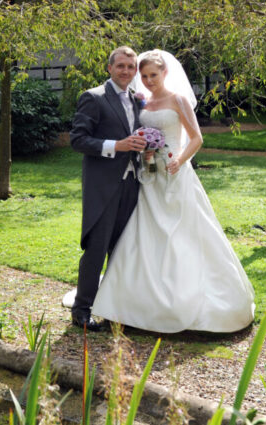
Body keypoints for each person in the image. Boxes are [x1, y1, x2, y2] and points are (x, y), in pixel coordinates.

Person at [91, 49, 255, 333]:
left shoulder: (178, 100)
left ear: (165, 73)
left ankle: (188, 299)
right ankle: (135, 302)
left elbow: (196, 138)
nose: (149, 80)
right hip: (150, 176)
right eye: (144, 76)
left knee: (184, 233)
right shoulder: (141, 102)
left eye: (153, 74)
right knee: (145, 233)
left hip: (175, 174)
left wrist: (179, 160)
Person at [68, 46, 148, 331]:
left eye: (131, 66)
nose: (126, 71)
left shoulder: (138, 100)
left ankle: (115, 308)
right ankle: (82, 310)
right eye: (121, 66)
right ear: (110, 68)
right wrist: (117, 146)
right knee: (97, 248)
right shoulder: (93, 97)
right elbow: (78, 140)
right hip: (103, 186)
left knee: (122, 248)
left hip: (132, 182)